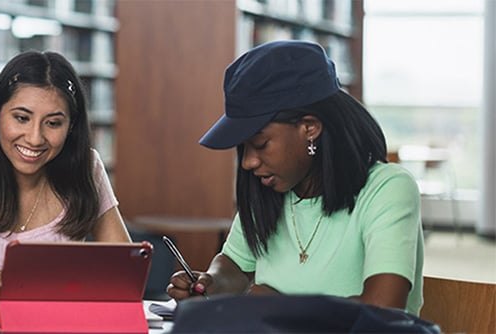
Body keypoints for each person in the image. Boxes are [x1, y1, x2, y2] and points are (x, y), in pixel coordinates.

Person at [167, 40, 424, 314]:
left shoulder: (388, 189)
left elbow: (383, 308)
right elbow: (235, 265)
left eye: (261, 144)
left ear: (309, 128)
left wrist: (280, 306)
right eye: (242, 148)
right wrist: (210, 283)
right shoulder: (267, 188)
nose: (248, 162)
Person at [0, 51, 132, 305]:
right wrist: (68, 286)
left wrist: (10, 282)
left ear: (70, 127)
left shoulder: (87, 168)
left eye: (53, 123)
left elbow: (124, 276)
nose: (35, 138)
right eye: (22, 118)